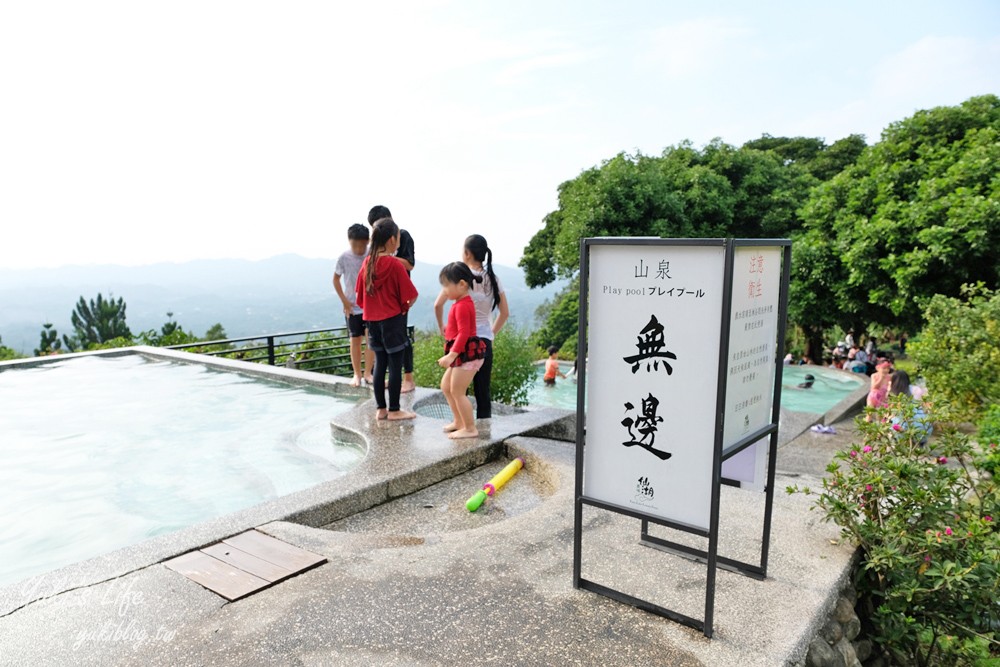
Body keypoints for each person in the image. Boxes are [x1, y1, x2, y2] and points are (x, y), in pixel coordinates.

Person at [433, 234, 509, 419]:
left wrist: (442, 326)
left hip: (461, 341)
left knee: (457, 389)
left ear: (466, 253)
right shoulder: (493, 278)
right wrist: (490, 334)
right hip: (483, 341)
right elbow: (504, 313)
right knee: (483, 391)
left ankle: (463, 426)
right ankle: (485, 434)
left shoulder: (459, 277)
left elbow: (438, 304)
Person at [355, 218, 418, 421]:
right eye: (398, 237)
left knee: (380, 363)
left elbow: (359, 296)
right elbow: (411, 295)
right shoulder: (394, 264)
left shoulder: (367, 263)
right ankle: (394, 410)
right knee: (395, 365)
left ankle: (380, 409)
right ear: (392, 239)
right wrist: (403, 308)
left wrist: (373, 310)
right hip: (392, 321)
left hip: (372, 322)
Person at [367, 205, 417, 393]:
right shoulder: (376, 246)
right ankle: (391, 382)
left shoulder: (403, 236)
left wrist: (388, 258)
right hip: (379, 302)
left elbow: (410, 265)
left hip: (398, 298)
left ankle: (408, 379)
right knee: (382, 349)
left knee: (401, 338)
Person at [436, 262, 487, 440]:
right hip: (462, 352)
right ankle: (459, 421)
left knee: (457, 390)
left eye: (446, 285)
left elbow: (465, 333)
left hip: (467, 353)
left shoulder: (464, 305)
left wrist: (451, 355)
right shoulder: (459, 303)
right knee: (446, 386)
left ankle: (470, 428)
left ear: (462, 284)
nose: (444, 290)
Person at [333, 223, 374, 387]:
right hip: (352, 306)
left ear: (368, 241)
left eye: (362, 245)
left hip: (370, 305)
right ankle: (356, 374)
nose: (359, 249)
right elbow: (335, 279)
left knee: (370, 340)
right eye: (355, 245)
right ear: (349, 241)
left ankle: (368, 373)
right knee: (355, 340)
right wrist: (344, 301)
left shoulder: (372, 253)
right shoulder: (344, 257)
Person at [888, 370, 932, 443]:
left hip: (903, 426)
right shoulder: (916, 389)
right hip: (923, 426)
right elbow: (925, 407)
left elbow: (890, 411)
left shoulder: (894, 392)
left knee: (891, 423)